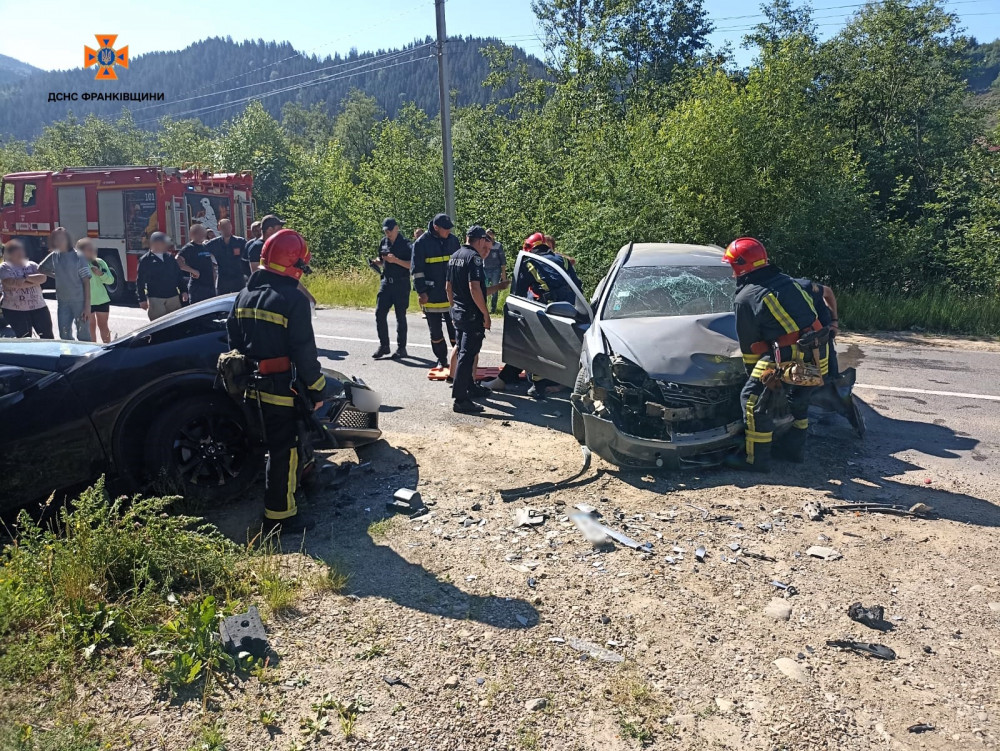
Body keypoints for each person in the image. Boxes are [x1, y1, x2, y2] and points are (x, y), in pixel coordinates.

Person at [226, 229, 326, 535]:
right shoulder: (292, 299)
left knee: (274, 447)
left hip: (250, 387)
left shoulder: (244, 295)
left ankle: (297, 492)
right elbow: (304, 351)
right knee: (285, 450)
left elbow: (232, 342)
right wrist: (317, 388)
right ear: (294, 264)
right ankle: (280, 517)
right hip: (282, 388)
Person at [722, 237, 828, 472]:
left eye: (732, 265)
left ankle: (755, 461)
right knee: (799, 399)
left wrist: (753, 376)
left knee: (752, 401)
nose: (731, 271)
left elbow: (750, 347)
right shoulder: (788, 281)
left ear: (740, 266)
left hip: (788, 356)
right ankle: (793, 452)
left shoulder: (746, 298)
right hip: (818, 352)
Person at [485, 232, 584, 395]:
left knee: (530, 344)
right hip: (571, 311)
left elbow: (518, 294)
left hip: (546, 311)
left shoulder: (529, 262)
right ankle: (509, 380)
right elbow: (577, 285)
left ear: (529, 248)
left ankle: (536, 385)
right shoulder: (563, 261)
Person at [447, 227, 498, 414]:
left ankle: (470, 387)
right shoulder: (474, 258)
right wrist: (485, 314)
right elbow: (474, 288)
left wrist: (453, 309)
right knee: (467, 355)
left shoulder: (455, 256)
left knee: (465, 351)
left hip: (459, 313)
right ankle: (460, 399)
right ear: (480, 240)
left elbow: (448, 287)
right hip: (471, 314)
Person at [412, 213, 460, 369]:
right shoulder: (421, 243)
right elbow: (417, 271)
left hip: (451, 294)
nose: (448, 231)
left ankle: (459, 359)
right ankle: (441, 359)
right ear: (436, 227)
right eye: (445, 229)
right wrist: (421, 292)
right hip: (431, 295)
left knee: (456, 329)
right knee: (436, 332)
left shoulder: (453, 241)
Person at [38, 227, 91, 341]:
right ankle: (69, 352)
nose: (59, 241)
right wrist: (57, 276)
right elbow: (41, 268)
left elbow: (86, 282)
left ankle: (86, 352)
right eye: (56, 239)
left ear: (68, 239)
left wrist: (87, 307)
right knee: (64, 334)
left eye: (62, 238)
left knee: (83, 334)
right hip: (62, 302)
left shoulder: (78, 256)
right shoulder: (54, 255)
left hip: (79, 301)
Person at [372, 218, 412, 359]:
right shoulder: (384, 242)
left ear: (396, 228)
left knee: (400, 316)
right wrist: (377, 262)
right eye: (385, 231)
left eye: (389, 230)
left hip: (401, 283)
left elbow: (411, 265)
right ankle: (384, 345)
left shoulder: (406, 244)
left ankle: (402, 348)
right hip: (386, 283)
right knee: (379, 313)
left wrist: (395, 260)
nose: (387, 233)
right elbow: (383, 260)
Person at [0, 239, 53, 338]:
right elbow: (10, 283)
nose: (20, 254)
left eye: (21, 251)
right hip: (15, 311)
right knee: (24, 338)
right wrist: (33, 282)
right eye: (16, 252)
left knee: (47, 336)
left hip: (39, 308)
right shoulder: (4, 267)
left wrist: (25, 278)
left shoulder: (32, 264)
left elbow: (43, 278)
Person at [795, 277, 840, 378]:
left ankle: (833, 379)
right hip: (803, 325)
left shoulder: (804, 287)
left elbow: (828, 292)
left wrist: (834, 321)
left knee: (827, 355)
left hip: (822, 323)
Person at [136, 232, 188, 320]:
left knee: (176, 323)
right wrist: (142, 299)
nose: (166, 245)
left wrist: (184, 291)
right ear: (155, 243)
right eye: (164, 243)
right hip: (156, 298)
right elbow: (140, 281)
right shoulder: (145, 260)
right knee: (159, 323)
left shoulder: (170, 257)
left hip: (173, 296)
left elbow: (178, 275)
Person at [78, 239, 114, 343]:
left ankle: (108, 347)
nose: (93, 251)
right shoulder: (77, 263)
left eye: (93, 249)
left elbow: (111, 280)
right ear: (81, 251)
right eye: (89, 249)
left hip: (102, 300)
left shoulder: (100, 262)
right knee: (90, 327)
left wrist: (101, 274)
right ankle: (94, 349)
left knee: (103, 326)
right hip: (86, 302)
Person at [176, 223, 217, 303]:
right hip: (197, 288)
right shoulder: (189, 247)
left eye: (203, 232)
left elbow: (209, 263)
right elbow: (177, 260)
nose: (202, 235)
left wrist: (214, 275)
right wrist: (193, 271)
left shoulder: (205, 246)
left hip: (210, 286)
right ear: (192, 234)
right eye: (199, 233)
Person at [207, 218, 248, 294]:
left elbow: (247, 257)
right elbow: (202, 252)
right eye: (224, 227)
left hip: (238, 278)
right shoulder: (214, 243)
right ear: (219, 228)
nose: (227, 229)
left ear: (231, 227)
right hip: (223, 279)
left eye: (228, 227)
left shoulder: (240, 241)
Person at [484, 229, 507, 314]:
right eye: (487, 233)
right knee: (484, 289)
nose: (489, 235)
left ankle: (493, 308)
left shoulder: (498, 245)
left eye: (491, 233)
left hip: (495, 270)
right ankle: (484, 307)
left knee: (494, 289)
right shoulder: (482, 244)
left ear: (494, 235)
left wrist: (503, 273)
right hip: (485, 269)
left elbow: (503, 260)